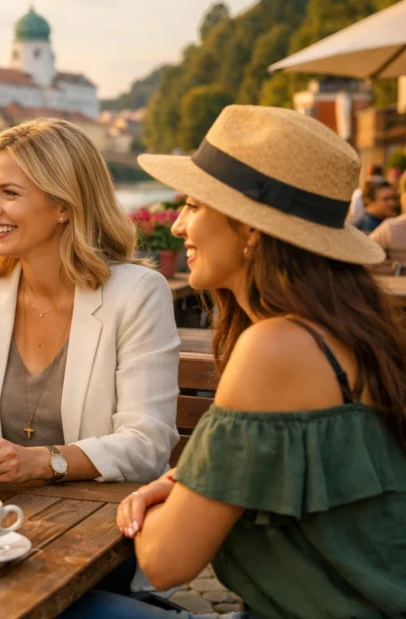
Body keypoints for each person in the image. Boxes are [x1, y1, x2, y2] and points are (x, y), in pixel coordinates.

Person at [67, 105, 406, 619]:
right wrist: (186, 482)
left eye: (195, 205)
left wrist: (169, 494)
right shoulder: (358, 335)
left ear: (249, 230)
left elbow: (163, 561)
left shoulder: (276, 348)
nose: (178, 226)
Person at [0, 118, 180, 485]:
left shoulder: (138, 292)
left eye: (9, 193)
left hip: (106, 517)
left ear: (64, 205)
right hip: (2, 513)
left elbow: (147, 446)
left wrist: (44, 462)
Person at [370, 172, 406, 268]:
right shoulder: (390, 228)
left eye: (393, 198)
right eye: (386, 199)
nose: (392, 203)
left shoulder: (391, 228)